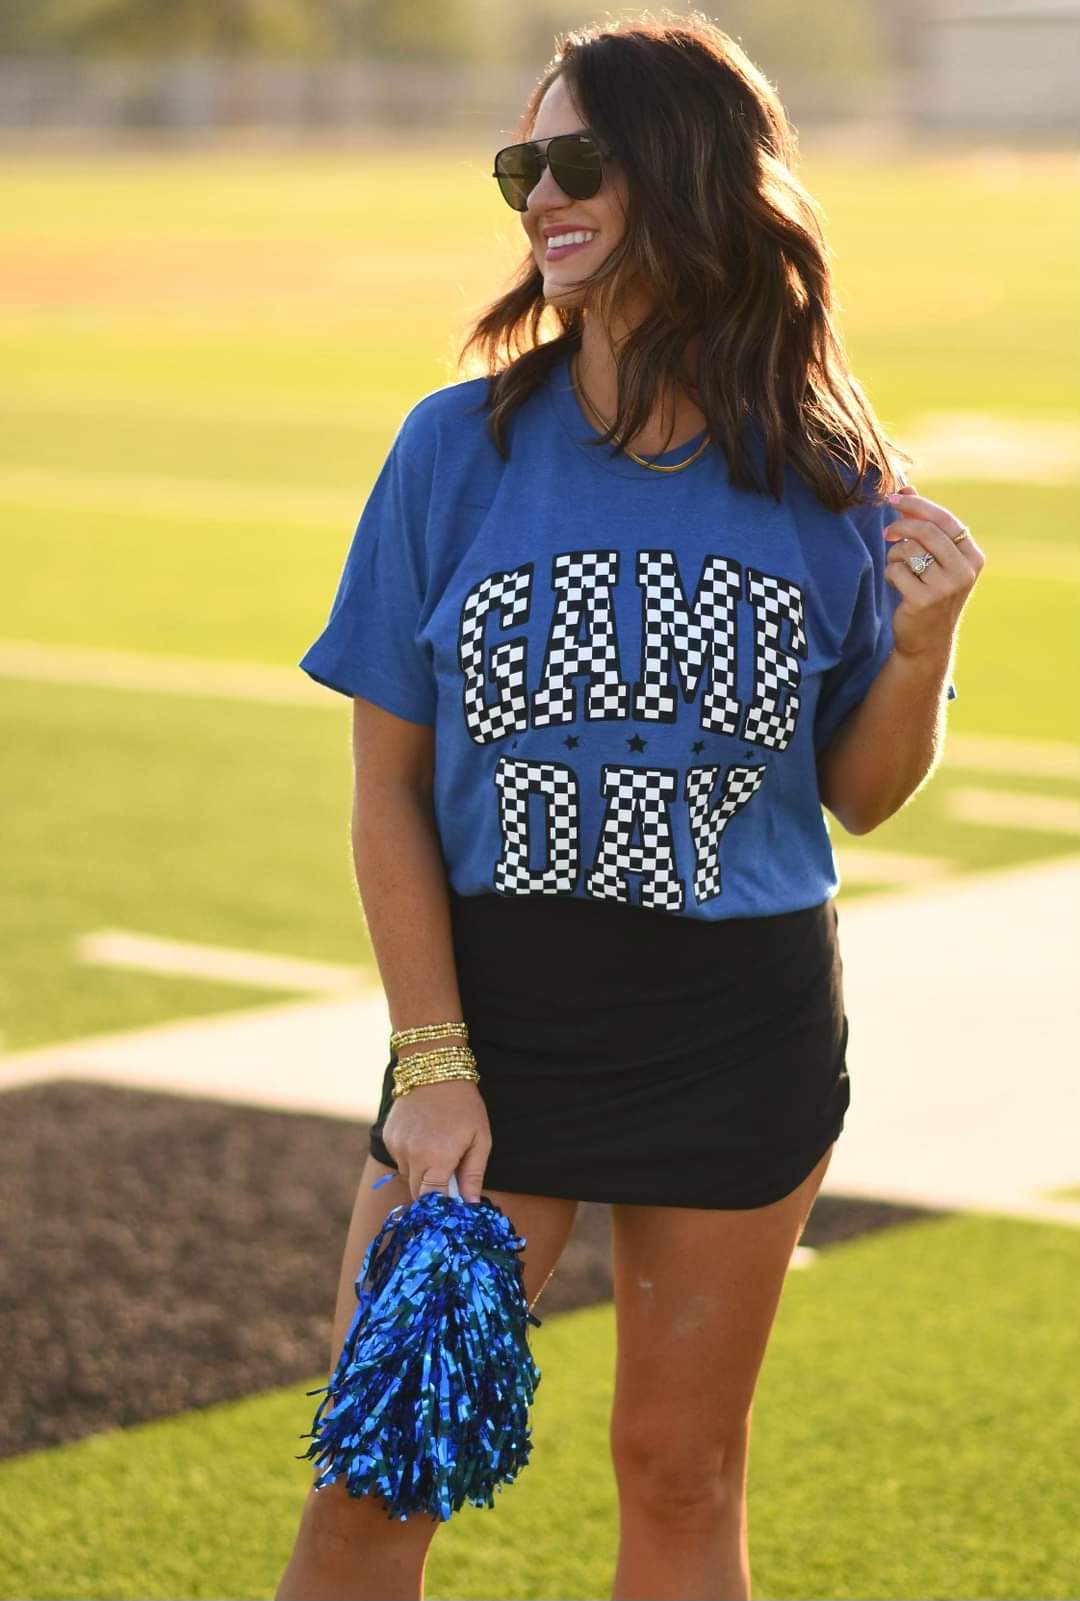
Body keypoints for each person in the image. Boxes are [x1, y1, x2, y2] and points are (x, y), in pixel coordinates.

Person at [276, 13, 984, 1600]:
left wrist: (924, 638)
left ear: (689, 172)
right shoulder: (455, 448)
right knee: (379, 1473)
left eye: (576, 158)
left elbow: (860, 795)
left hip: (741, 1018)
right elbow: (385, 791)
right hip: (499, 1024)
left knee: (682, 1471)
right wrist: (437, 1069)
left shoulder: (822, 471)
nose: (539, 195)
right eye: (521, 164)